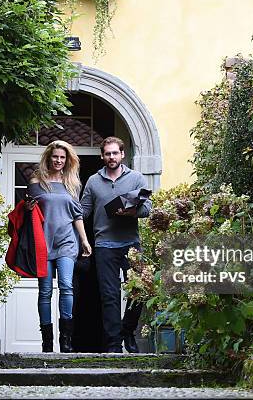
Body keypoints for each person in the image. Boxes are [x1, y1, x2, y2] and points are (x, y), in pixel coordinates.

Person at [81, 136, 152, 353]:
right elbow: (83, 211)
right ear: (102, 156)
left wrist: (132, 211)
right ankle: (113, 344)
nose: (111, 157)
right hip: (104, 245)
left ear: (122, 154)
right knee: (109, 296)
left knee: (140, 291)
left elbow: (147, 209)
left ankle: (128, 331)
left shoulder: (137, 178)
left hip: (131, 243)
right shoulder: (93, 181)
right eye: (107, 153)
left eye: (115, 153)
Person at [26, 140, 92, 353]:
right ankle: (47, 342)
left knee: (66, 286)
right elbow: (30, 211)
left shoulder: (72, 183)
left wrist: (84, 240)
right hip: (43, 243)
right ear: (48, 157)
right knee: (45, 291)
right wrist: (27, 207)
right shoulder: (36, 182)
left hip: (66, 242)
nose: (59, 160)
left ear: (67, 160)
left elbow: (77, 214)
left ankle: (66, 341)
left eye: (63, 157)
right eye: (55, 156)